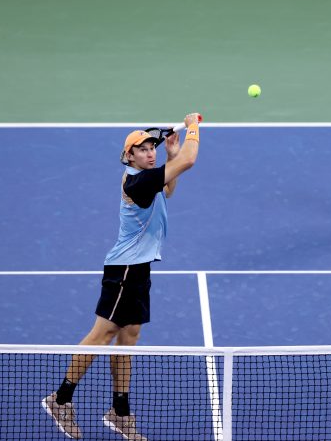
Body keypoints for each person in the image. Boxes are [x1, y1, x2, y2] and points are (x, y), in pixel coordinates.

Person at [42, 113, 202, 440]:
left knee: (128, 337)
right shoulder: (138, 182)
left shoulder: (146, 178)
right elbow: (189, 160)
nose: (149, 153)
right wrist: (193, 126)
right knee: (102, 335)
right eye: (142, 150)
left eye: (151, 148)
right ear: (129, 156)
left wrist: (170, 153)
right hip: (125, 271)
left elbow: (169, 189)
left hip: (139, 269)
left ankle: (120, 411)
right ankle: (60, 399)